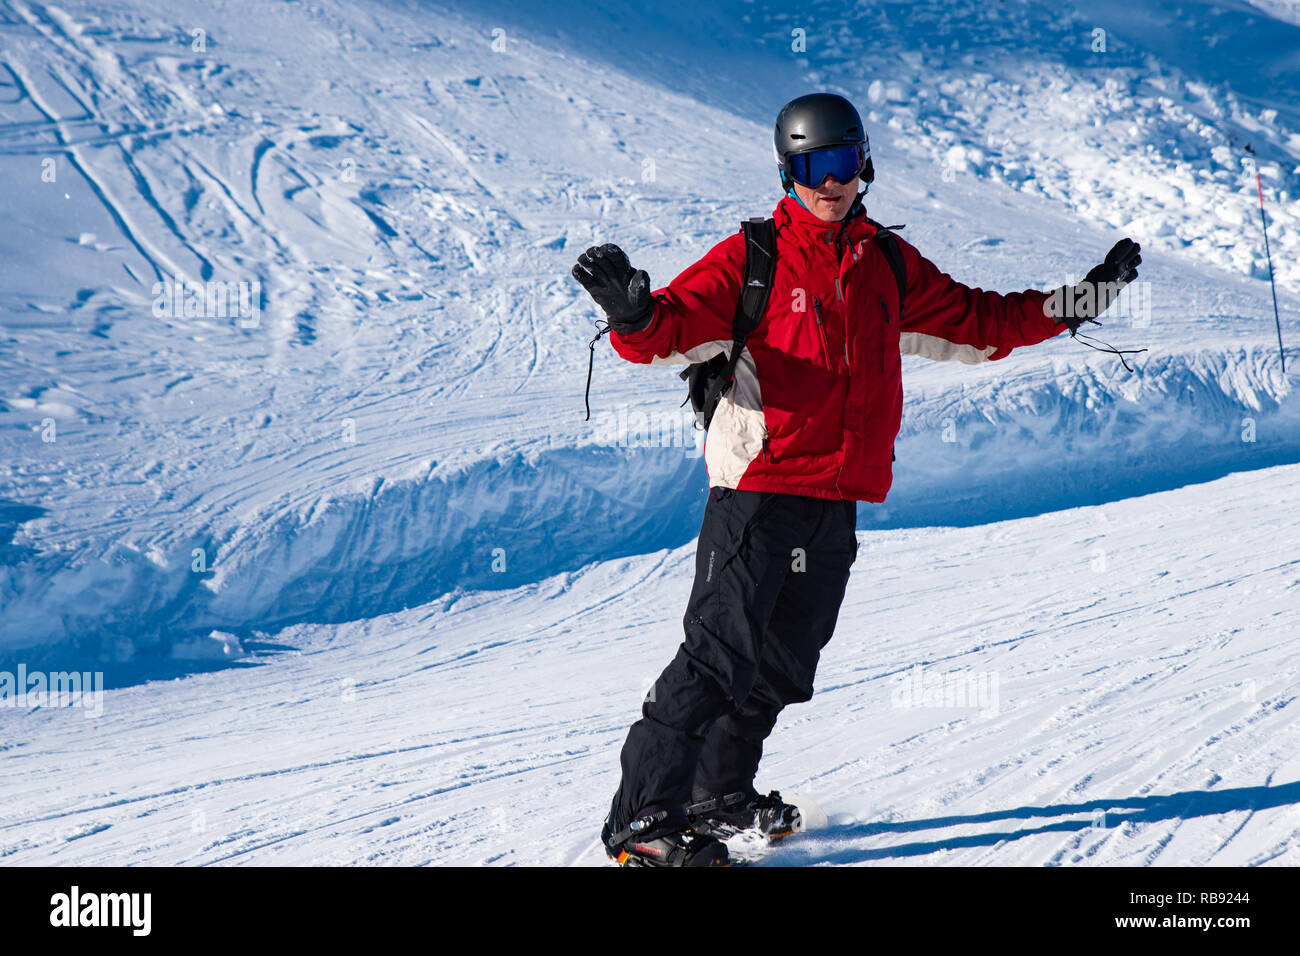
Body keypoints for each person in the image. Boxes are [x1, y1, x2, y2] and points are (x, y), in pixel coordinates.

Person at [571, 92, 1141, 867]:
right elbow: (669, 329)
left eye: (839, 163)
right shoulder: (754, 259)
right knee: (716, 658)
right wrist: (634, 316)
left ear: (862, 163)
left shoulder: (888, 265)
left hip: (835, 500)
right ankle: (642, 822)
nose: (827, 182)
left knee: (781, 664)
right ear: (788, 171)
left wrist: (1082, 301)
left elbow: (983, 319)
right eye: (810, 167)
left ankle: (716, 792)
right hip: (759, 491)